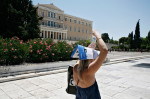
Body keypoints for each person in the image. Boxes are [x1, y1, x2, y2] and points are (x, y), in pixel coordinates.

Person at [73, 30, 108, 99]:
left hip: (79, 93)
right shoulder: (90, 70)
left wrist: (87, 50)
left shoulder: (75, 67)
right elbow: (104, 51)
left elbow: (80, 58)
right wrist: (98, 36)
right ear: (91, 59)